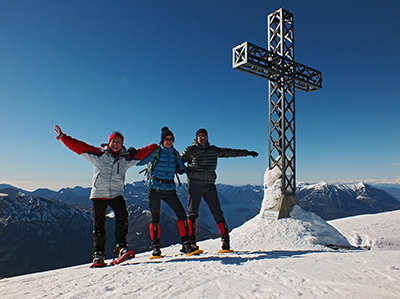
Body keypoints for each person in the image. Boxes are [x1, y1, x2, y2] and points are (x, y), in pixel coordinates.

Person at [54, 125, 158, 266]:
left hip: (116, 193)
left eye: (118, 142)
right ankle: (99, 254)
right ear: (109, 143)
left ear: (122, 145)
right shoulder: (98, 155)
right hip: (99, 194)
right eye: (113, 141)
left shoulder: (126, 159)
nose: (115, 144)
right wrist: (63, 137)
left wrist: (154, 146)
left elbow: (141, 153)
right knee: (99, 226)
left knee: (123, 217)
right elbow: (79, 146)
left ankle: (121, 246)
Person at [181, 128, 259, 252]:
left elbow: (230, 152)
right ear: (196, 137)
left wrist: (247, 152)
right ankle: (191, 243)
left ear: (207, 137)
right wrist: (181, 169)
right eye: (200, 135)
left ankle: (225, 241)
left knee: (217, 213)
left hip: (209, 186)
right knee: (192, 214)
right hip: (194, 185)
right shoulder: (190, 150)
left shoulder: (213, 150)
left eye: (205, 135)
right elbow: (178, 162)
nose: (203, 137)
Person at [137, 127, 197, 257]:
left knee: (181, 215)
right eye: (166, 139)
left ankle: (186, 244)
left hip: (169, 189)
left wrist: (192, 170)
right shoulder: (156, 152)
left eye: (170, 139)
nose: (168, 141)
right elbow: (139, 162)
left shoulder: (175, 154)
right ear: (162, 140)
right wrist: (131, 155)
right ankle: (156, 248)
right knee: (155, 218)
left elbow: (182, 168)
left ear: (173, 140)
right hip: (155, 189)